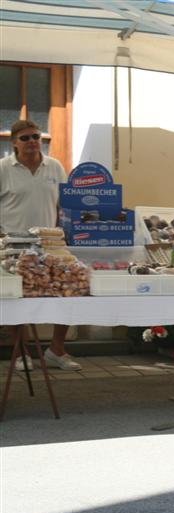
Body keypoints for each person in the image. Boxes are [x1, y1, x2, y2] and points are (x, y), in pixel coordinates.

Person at [0, 119, 81, 371]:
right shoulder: (3, 168)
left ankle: (56, 350)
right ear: (14, 142)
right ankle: (20, 353)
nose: (32, 141)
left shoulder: (55, 167)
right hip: (12, 247)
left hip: (50, 246)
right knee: (16, 299)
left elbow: (66, 206)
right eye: (25, 138)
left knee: (67, 292)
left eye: (36, 136)